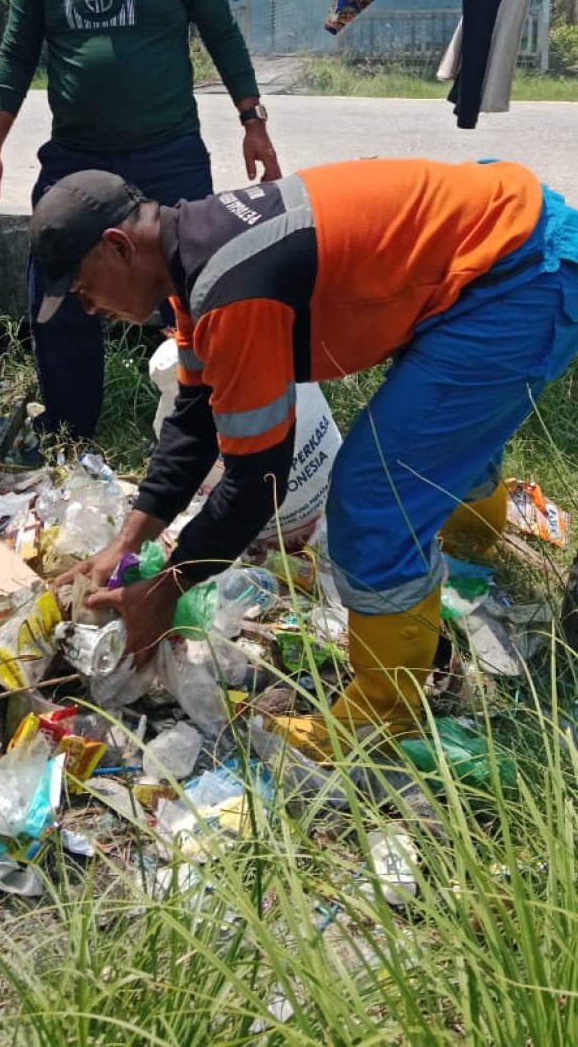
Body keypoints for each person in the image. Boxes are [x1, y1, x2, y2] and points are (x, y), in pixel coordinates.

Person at [30, 156, 578, 744]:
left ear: (118, 246)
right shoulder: (197, 256)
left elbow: (256, 484)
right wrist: (127, 542)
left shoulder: (230, 291)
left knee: (375, 493)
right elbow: (194, 418)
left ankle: (383, 714)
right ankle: (470, 556)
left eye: (83, 289)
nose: (89, 309)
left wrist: (164, 593)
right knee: (432, 437)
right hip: (496, 240)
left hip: (518, 276)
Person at [0, 0, 280, 439]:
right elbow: (16, 55)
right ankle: (70, 430)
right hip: (76, 158)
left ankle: (209, 421)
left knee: (196, 284)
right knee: (56, 277)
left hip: (168, 151)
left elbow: (221, 34)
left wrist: (253, 121)